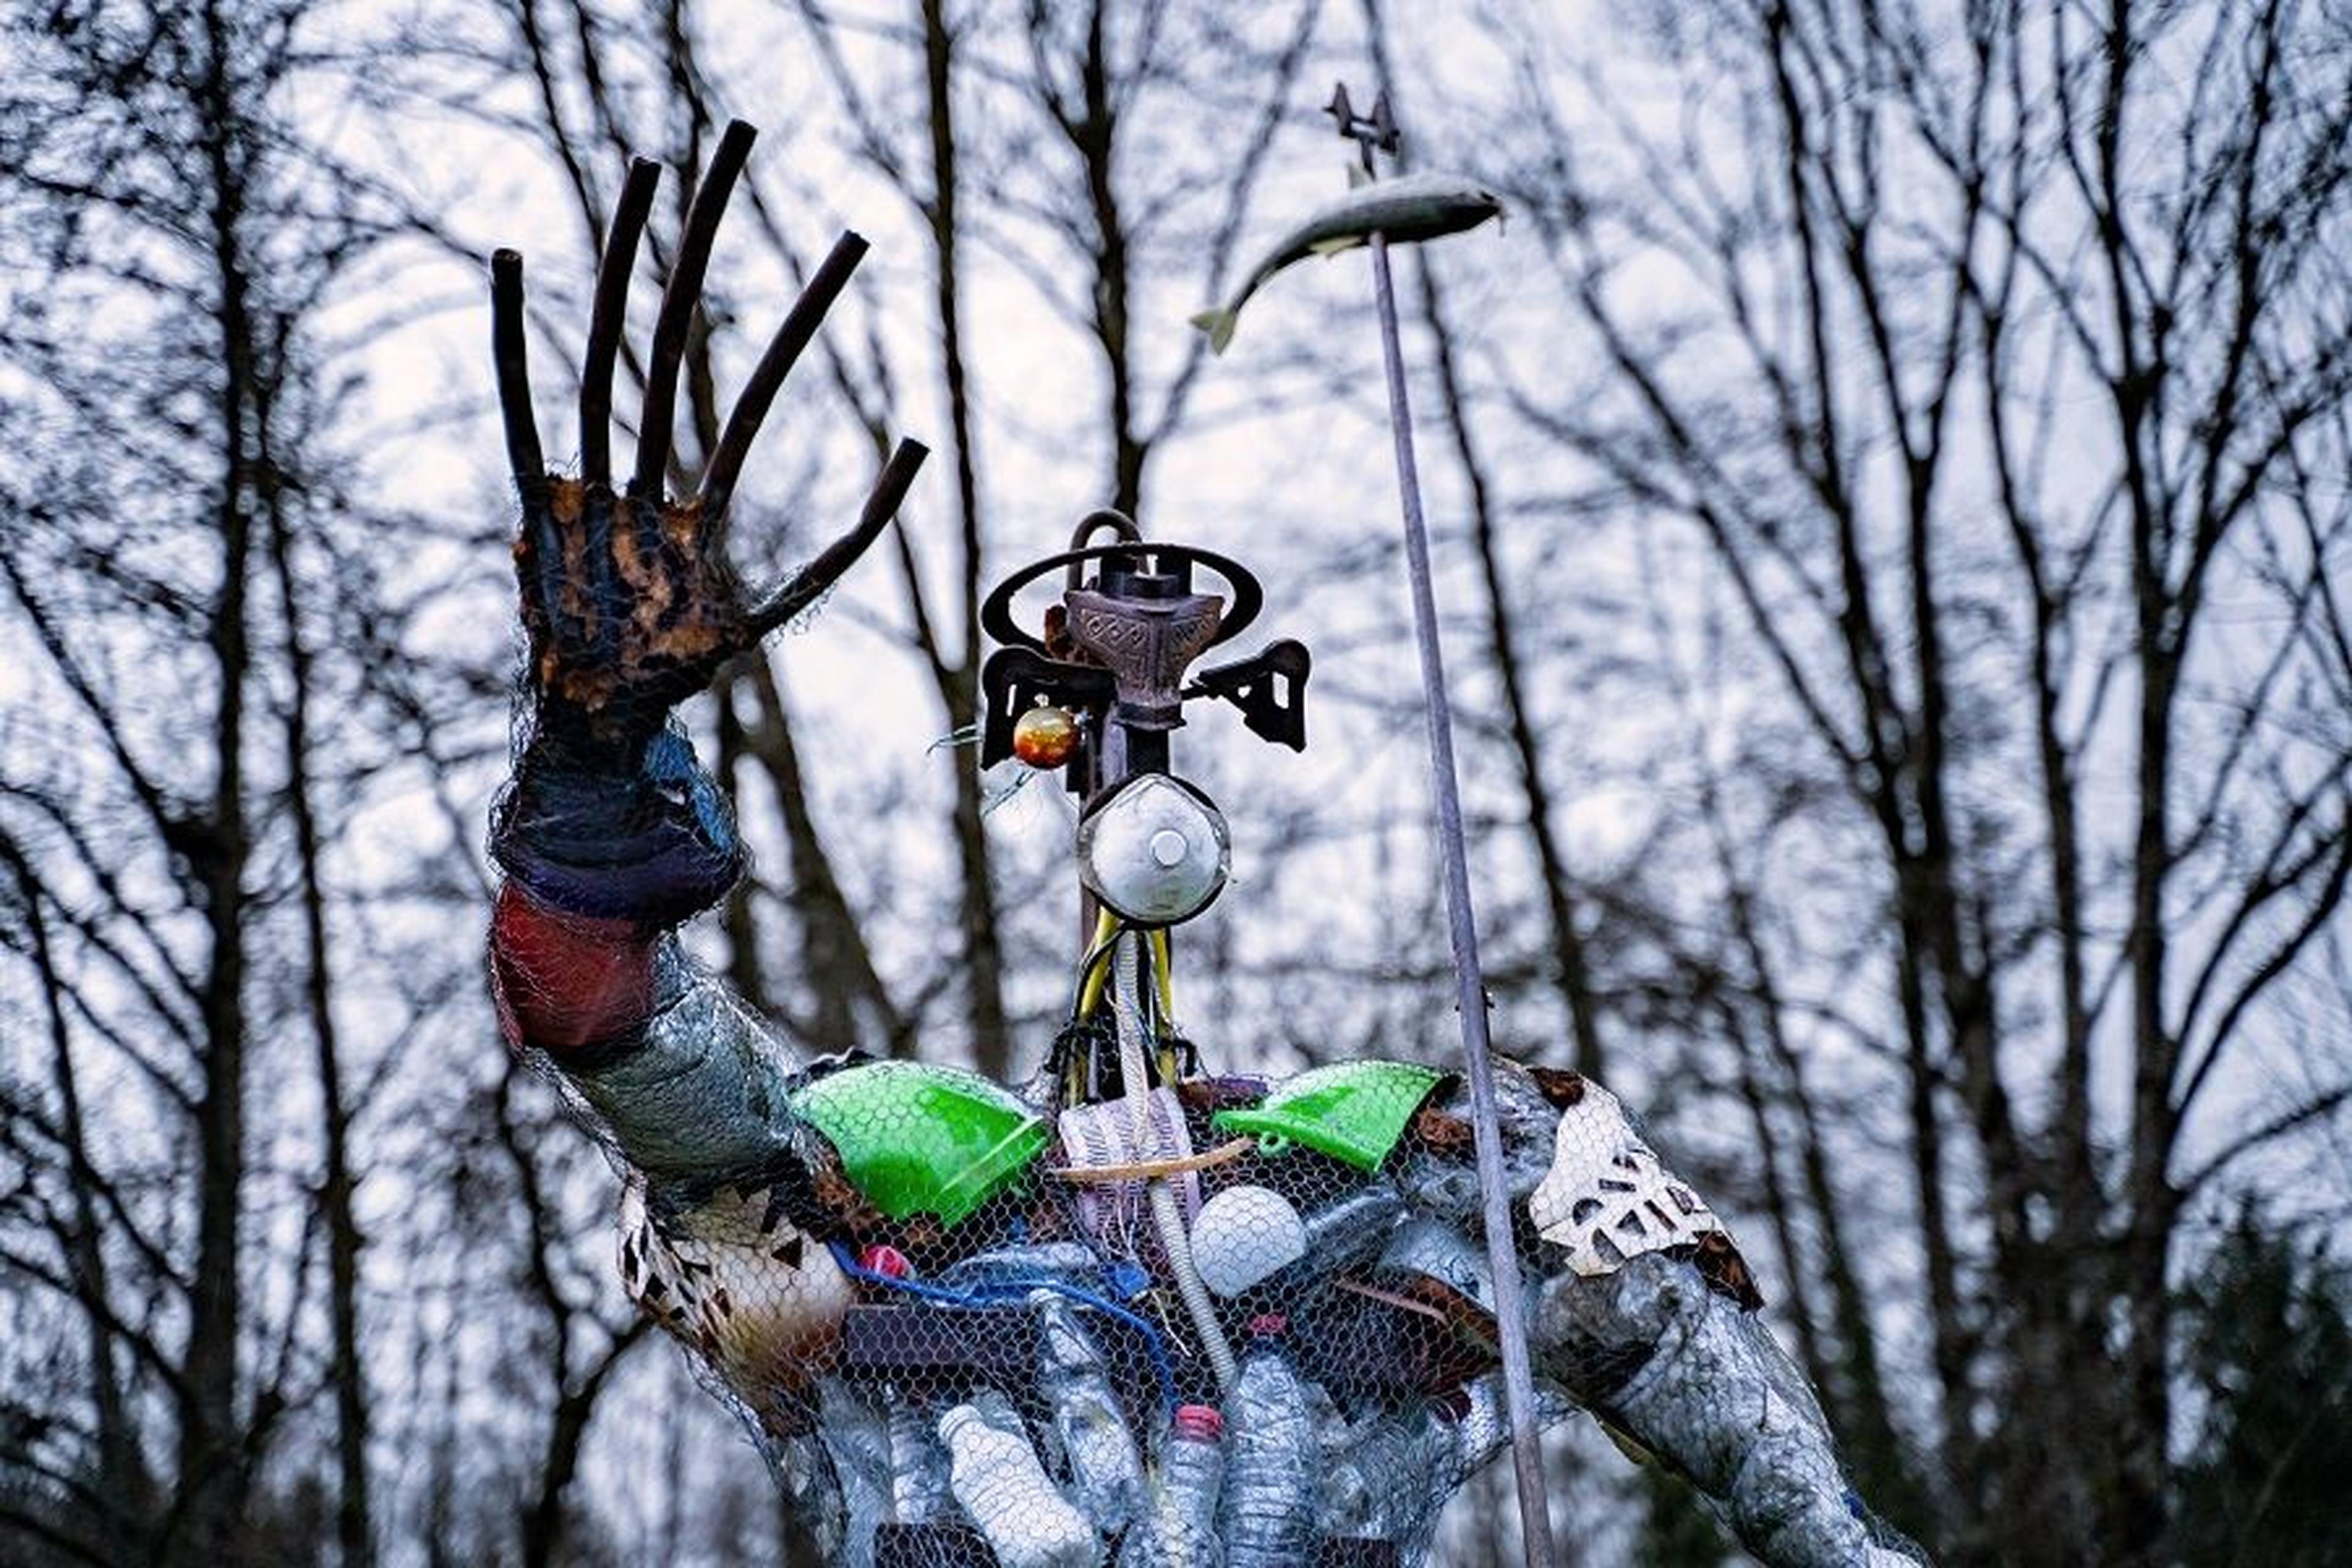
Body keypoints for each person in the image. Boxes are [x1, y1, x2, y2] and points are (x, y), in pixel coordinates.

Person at [486, 126, 1929, 1568]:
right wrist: (593, 785)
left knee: (1547, 1164)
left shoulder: (1370, 1173)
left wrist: (1840, 1547)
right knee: (756, 1209)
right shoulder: (887, 1169)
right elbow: (626, 1043)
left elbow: (1635, 1281)